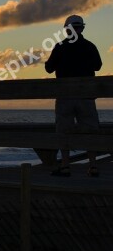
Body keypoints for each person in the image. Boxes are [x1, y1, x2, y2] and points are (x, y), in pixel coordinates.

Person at [44, 15, 103, 177]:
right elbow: (98, 66)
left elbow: (49, 68)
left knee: (64, 131)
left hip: (65, 96)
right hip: (86, 96)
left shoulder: (60, 47)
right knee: (91, 130)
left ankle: (65, 166)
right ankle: (92, 165)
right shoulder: (90, 46)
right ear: (82, 28)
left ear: (67, 29)